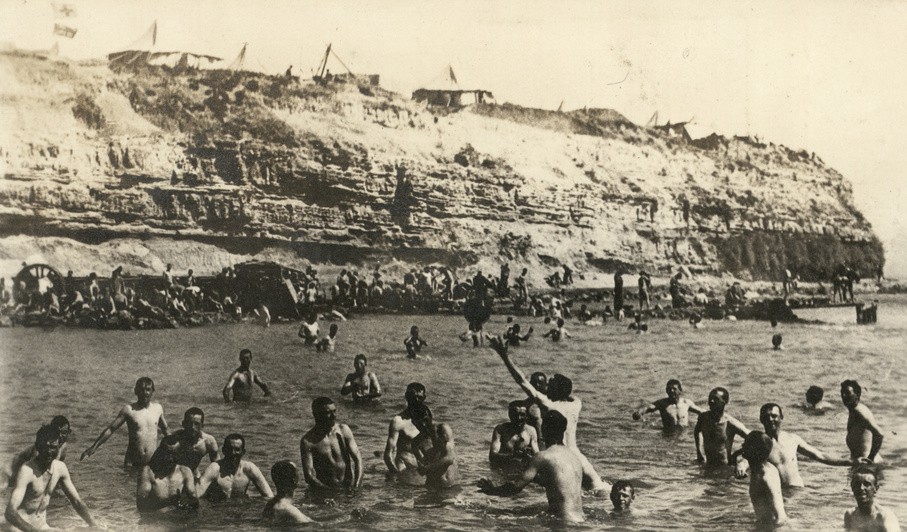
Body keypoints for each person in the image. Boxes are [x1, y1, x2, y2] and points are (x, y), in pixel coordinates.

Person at [489, 337, 610, 492]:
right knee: (598, 489)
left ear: (556, 390)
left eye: (550, 384)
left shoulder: (548, 405)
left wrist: (505, 356)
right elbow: (567, 392)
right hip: (578, 458)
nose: (546, 387)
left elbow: (522, 381)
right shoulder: (576, 404)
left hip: (561, 460)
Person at [478, 410, 586, 522]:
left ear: (544, 430)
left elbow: (515, 487)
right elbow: (558, 483)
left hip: (563, 522)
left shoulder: (543, 456)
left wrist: (492, 490)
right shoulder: (574, 457)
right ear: (563, 430)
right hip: (581, 520)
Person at [734, 403, 855, 487]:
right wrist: (741, 467)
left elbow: (819, 455)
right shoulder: (760, 443)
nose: (771, 419)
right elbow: (746, 460)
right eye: (766, 416)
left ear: (781, 417)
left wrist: (848, 462)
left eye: (774, 416)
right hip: (779, 494)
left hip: (798, 492)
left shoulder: (792, 439)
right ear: (761, 419)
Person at [5, 425, 101, 530]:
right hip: (20, 529)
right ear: (38, 446)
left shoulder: (60, 468)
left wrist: (94, 526)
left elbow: (77, 502)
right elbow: (10, 513)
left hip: (43, 527)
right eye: (45, 447)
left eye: (53, 447)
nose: (49, 451)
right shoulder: (27, 471)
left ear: (58, 446)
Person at [82, 376, 169, 467]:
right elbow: (111, 429)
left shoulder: (157, 409)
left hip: (151, 463)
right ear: (136, 391)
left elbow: (166, 430)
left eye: (148, 389)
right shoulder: (129, 410)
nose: (145, 393)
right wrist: (93, 447)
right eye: (141, 390)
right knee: (128, 481)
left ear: (152, 391)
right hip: (132, 462)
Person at [300, 397, 363, 494]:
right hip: (325, 491)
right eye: (328, 413)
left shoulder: (343, 430)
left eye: (335, 411)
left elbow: (358, 460)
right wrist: (332, 492)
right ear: (316, 415)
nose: (334, 416)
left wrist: (356, 486)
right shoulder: (308, 441)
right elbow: (309, 477)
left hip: (348, 488)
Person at [733, 431, 788, 526]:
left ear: (754, 451)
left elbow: (781, 517)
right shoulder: (766, 467)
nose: (742, 445)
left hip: (772, 527)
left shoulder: (765, 477)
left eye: (746, 444)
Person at [198, 434, 273, 500]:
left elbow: (269, 496)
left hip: (238, 510)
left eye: (237, 450)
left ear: (243, 452)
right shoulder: (214, 468)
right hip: (216, 508)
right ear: (224, 450)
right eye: (229, 449)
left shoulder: (249, 468)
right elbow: (197, 495)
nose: (233, 453)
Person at [136, 434, 198, 513]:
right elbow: (141, 506)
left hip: (177, 521)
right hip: (155, 521)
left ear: (180, 454)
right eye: (167, 454)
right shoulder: (148, 472)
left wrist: (186, 501)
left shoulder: (185, 472)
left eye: (174, 454)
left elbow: (195, 502)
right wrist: (169, 502)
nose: (170, 459)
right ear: (161, 453)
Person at [6, 416, 72, 488]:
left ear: (68, 432)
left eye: (64, 432)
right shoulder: (41, 449)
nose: (60, 435)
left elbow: (55, 471)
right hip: (15, 468)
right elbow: (33, 471)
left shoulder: (64, 446)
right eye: (57, 432)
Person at [693, 387, 749, 466]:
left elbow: (756, 440)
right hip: (708, 466)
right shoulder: (703, 417)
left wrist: (737, 454)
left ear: (725, 402)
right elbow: (697, 431)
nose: (711, 401)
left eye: (715, 399)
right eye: (710, 398)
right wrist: (699, 451)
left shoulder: (730, 423)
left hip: (725, 468)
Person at [410, 403, 460, 490]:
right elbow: (423, 468)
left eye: (425, 420)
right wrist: (422, 469)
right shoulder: (416, 442)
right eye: (415, 422)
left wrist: (427, 467)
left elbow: (450, 458)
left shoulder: (442, 430)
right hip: (431, 486)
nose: (423, 424)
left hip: (450, 487)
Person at [384, 383, 427, 481]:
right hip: (403, 468)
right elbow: (388, 454)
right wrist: (396, 475)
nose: (416, 401)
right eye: (413, 397)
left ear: (424, 398)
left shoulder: (425, 420)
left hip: (420, 468)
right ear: (407, 397)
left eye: (419, 398)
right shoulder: (398, 421)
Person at [844, 464, 901, 531]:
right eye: (857, 484)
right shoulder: (850, 515)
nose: (861, 488)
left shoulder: (884, 517)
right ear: (852, 487)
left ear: (875, 488)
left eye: (867, 484)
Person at [633, 379, 703, 431]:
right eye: (669, 389)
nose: (671, 391)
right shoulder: (662, 403)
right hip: (668, 434)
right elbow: (648, 408)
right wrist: (639, 412)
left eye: (674, 389)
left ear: (680, 391)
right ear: (666, 391)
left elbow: (701, 412)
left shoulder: (686, 403)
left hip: (683, 434)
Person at [489, 401, 539, 472]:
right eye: (515, 415)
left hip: (522, 471)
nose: (518, 418)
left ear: (526, 416)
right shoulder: (501, 430)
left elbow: (537, 456)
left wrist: (528, 457)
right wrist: (512, 456)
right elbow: (492, 456)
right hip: (503, 470)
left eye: (522, 415)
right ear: (509, 414)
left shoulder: (531, 431)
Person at [841, 380, 884, 462]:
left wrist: (870, 458)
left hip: (866, 466)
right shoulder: (855, 410)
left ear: (857, 395)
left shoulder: (859, 412)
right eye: (842, 393)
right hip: (865, 465)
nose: (843, 396)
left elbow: (879, 434)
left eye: (847, 393)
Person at [173, 407, 219, 477]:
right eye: (189, 423)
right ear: (183, 424)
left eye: (196, 424)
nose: (192, 427)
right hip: (177, 476)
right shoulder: (175, 438)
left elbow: (217, 465)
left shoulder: (208, 441)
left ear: (202, 426)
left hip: (195, 476)